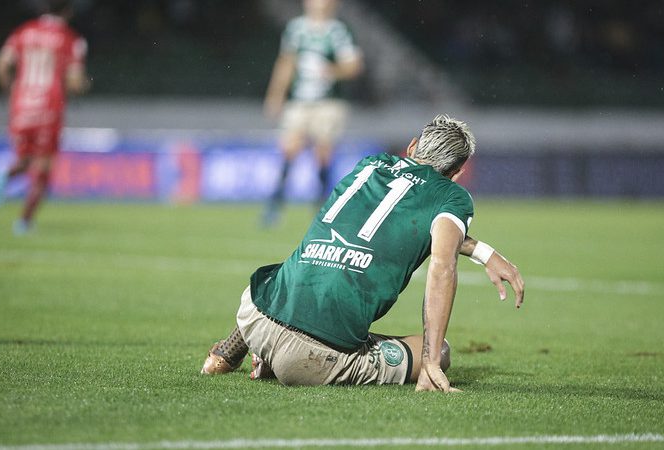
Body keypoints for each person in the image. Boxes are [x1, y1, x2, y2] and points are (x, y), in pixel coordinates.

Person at [202, 115, 525, 392]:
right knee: (440, 351)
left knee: (300, 269)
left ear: (412, 147)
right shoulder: (451, 196)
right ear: (456, 172)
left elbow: (400, 221)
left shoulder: (372, 165)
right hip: (309, 359)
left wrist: (482, 251)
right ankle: (276, 359)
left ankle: (227, 353)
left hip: (254, 313)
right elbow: (442, 263)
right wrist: (429, 362)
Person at [0, 0, 89, 234]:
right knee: (43, 167)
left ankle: (4, 174)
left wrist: (12, 93)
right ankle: (24, 223)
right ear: (68, 11)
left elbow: (0, 67)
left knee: (24, 160)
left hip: (21, 106)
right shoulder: (70, 39)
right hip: (49, 108)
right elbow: (74, 80)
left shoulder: (23, 31)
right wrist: (84, 86)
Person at [261, 0, 364, 226]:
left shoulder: (338, 31)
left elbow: (354, 65)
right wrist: (275, 94)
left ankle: (320, 207)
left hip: (328, 103)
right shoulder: (296, 28)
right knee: (289, 149)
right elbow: (286, 62)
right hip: (299, 101)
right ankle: (274, 205)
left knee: (323, 153)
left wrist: (332, 70)